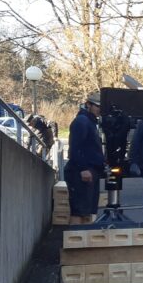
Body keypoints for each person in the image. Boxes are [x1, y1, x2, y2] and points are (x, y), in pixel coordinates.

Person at [63, 92, 105, 225]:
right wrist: (83, 169)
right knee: (79, 211)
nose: (100, 110)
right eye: (98, 106)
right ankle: (75, 242)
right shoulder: (82, 121)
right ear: (88, 105)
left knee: (86, 211)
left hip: (89, 170)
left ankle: (82, 241)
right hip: (80, 172)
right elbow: (75, 148)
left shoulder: (90, 122)